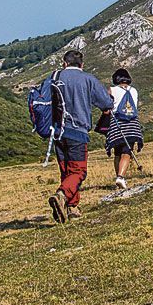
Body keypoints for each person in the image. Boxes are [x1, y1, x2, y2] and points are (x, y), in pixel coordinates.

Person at [43, 50, 114, 224]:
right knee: (79, 171)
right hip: (78, 130)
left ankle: (72, 207)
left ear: (64, 63)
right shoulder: (88, 79)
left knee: (66, 170)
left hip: (58, 132)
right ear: (82, 65)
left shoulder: (54, 77)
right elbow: (106, 103)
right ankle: (62, 195)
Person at [105, 68, 143, 190]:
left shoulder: (112, 90)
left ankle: (119, 177)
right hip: (132, 124)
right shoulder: (134, 91)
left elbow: (106, 106)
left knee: (117, 151)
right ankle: (121, 177)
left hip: (117, 123)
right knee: (127, 151)